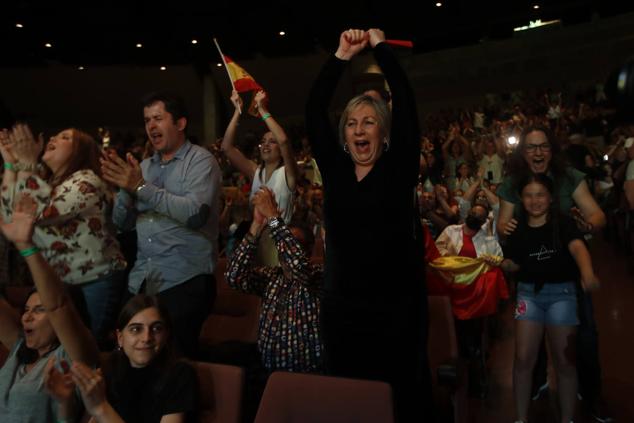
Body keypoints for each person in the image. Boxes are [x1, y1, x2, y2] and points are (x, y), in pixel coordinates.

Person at [305, 28, 430, 420]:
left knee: (398, 401)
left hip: (396, 312)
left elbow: (406, 103)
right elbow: (313, 110)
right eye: (352, 123)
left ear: (384, 131)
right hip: (342, 311)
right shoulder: (337, 170)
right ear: (343, 134)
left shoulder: (398, 168)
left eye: (369, 122)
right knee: (350, 401)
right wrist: (341, 54)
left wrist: (380, 48)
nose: (359, 130)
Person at [496, 125, 611, 422]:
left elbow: (596, 215)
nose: (538, 152)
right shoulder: (512, 183)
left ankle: (591, 395)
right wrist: (504, 229)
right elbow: (503, 223)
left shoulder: (569, 178)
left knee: (582, 339)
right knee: (529, 348)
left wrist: (589, 225)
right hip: (531, 275)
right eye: (531, 147)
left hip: (565, 276)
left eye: (543, 146)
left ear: (552, 149)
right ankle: (538, 384)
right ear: (523, 153)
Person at [101, 91, 221, 358]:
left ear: (180, 123)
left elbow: (195, 215)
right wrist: (125, 190)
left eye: (157, 118)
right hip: (142, 279)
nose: (150, 126)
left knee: (172, 361)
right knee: (128, 358)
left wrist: (141, 187)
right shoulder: (144, 166)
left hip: (184, 279)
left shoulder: (201, 161)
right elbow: (122, 223)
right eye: (146, 120)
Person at [0, 124, 126, 349]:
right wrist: (11, 163)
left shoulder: (87, 181)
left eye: (65, 137)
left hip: (95, 282)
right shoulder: (47, 184)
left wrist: (27, 164)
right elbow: (10, 215)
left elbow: (36, 214)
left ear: (79, 152)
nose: (54, 138)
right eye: (55, 134)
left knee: (84, 348)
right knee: (60, 349)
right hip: (61, 282)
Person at [0, 194, 99, 423]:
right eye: (26, 309)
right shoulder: (19, 349)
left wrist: (26, 246)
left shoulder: (76, 355)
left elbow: (59, 306)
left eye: (39, 310)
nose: (27, 316)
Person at [225, 187, 323, 373]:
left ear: (309, 250)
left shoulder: (318, 276)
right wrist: (256, 225)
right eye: (282, 244)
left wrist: (273, 217)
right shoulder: (272, 277)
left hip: (307, 376)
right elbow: (234, 277)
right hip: (267, 373)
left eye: (295, 244)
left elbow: (298, 267)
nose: (284, 250)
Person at [221, 90, 298, 265]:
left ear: (280, 149)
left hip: (280, 243)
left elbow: (284, 140)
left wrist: (262, 110)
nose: (265, 145)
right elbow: (226, 147)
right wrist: (237, 111)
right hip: (255, 241)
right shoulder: (255, 171)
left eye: (272, 141)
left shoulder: (288, 173)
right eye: (263, 141)